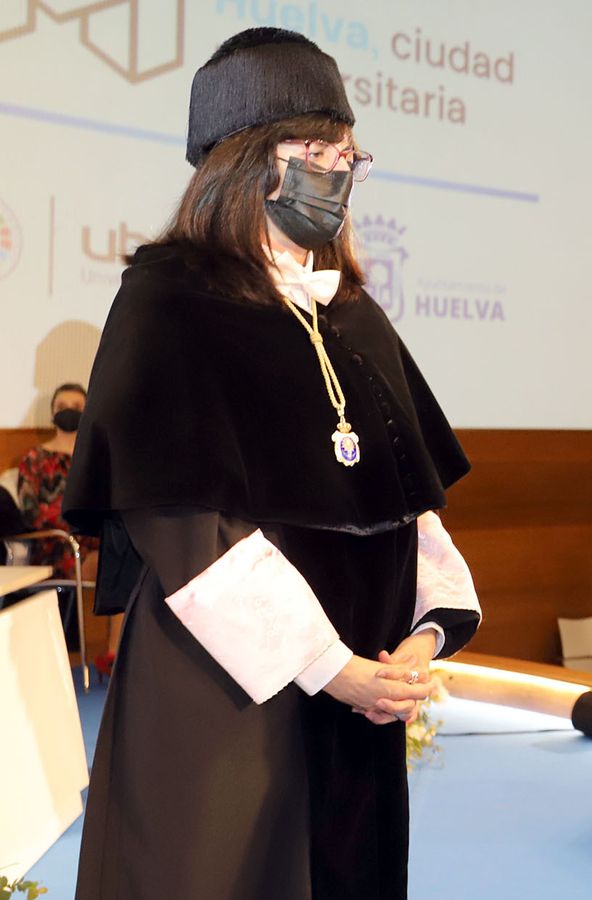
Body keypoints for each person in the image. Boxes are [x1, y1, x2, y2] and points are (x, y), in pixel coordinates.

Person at [62, 28, 480, 900]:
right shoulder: (168, 302)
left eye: (346, 153)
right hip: (228, 709)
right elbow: (188, 528)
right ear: (242, 160)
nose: (335, 172)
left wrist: (421, 638)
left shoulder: (354, 316)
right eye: (314, 150)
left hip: (360, 702)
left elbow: (408, 502)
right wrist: (337, 669)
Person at [17, 383, 96, 578]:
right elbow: (31, 514)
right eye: (62, 407)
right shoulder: (34, 459)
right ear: (52, 413)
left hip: (94, 540)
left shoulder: (96, 460)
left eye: (76, 407)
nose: (68, 411)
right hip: (54, 543)